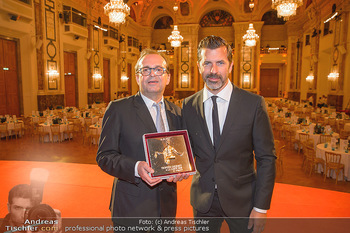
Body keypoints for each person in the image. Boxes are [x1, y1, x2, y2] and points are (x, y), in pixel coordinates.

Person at [182, 35, 276, 233]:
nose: (213, 71)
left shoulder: (253, 104)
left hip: (243, 201)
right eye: (207, 63)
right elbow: (185, 149)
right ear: (199, 66)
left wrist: (261, 207)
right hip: (203, 201)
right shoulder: (188, 105)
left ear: (231, 66)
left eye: (220, 63)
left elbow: (266, 158)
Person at [96, 49, 188, 227]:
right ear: (138, 77)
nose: (152, 74)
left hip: (166, 208)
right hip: (132, 207)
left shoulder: (177, 112)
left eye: (158, 69)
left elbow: (179, 153)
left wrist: (181, 169)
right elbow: (104, 156)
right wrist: (136, 167)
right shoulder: (118, 109)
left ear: (167, 77)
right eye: (146, 70)